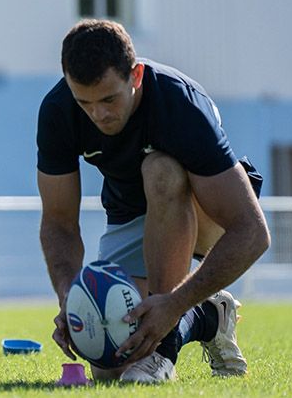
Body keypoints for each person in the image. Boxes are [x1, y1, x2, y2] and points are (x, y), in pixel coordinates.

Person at [36, 19, 270, 383]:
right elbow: (58, 222)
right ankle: (208, 316)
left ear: (137, 76)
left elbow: (252, 232)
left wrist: (174, 303)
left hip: (206, 208)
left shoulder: (179, 103)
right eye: (86, 103)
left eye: (109, 99)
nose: (99, 114)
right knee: (110, 361)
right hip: (132, 213)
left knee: (161, 169)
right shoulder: (58, 110)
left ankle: (165, 349)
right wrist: (70, 296)